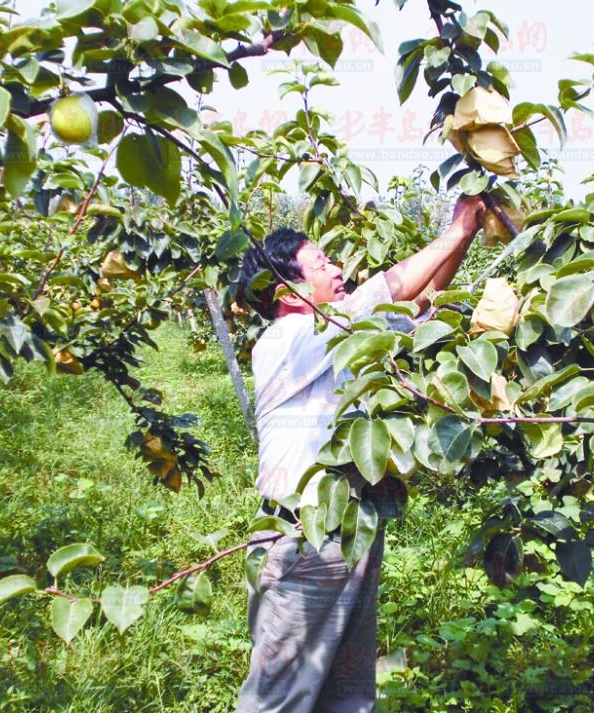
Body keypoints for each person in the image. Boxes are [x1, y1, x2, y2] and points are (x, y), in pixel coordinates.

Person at [233, 195, 487, 713]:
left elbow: (420, 306)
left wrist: (460, 239)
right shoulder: (289, 338)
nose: (339, 270)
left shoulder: (346, 341)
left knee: (346, 696)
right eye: (322, 264)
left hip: (351, 530)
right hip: (304, 538)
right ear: (288, 292)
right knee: (278, 700)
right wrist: (454, 230)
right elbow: (384, 292)